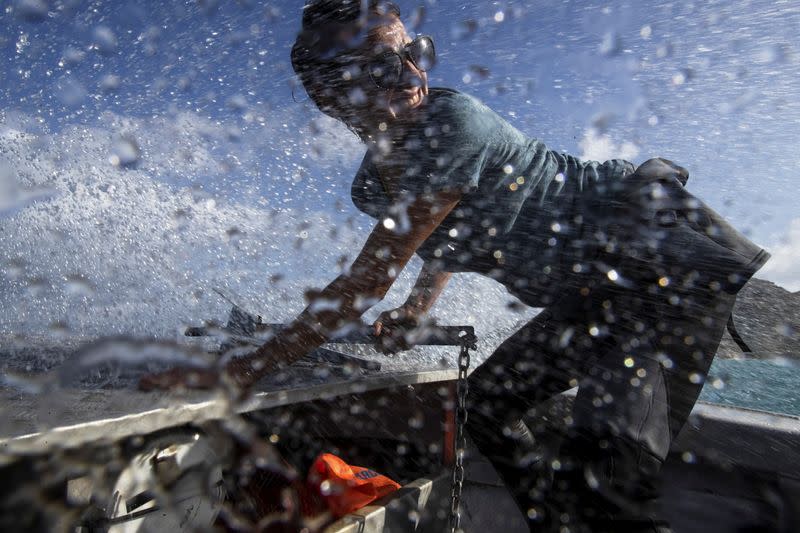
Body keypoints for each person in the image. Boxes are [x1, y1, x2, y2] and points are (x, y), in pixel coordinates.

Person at [141, 1, 770, 531]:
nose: (414, 71)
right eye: (387, 63)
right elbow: (442, 243)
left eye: (416, 51)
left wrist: (244, 370)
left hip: (664, 257)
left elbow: (366, 280)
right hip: (601, 289)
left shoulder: (451, 122)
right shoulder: (373, 187)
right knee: (488, 408)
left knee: (611, 468)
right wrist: (416, 310)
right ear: (329, 93)